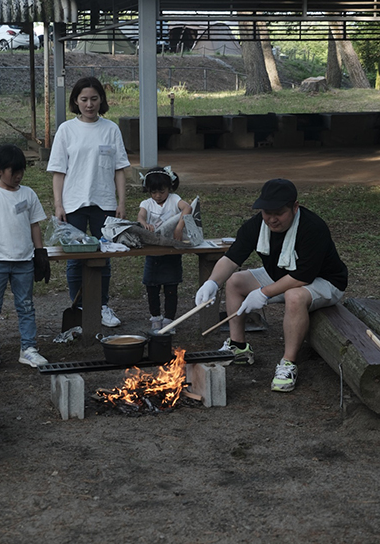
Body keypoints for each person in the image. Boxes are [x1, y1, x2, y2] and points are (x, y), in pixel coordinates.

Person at [195, 178, 348, 392]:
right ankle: (238, 347)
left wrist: (263, 293)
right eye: (267, 213)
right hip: (282, 274)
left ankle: (288, 363)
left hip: (324, 281)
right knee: (235, 281)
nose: (272, 220)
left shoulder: (313, 228)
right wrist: (212, 282)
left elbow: (302, 276)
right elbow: (231, 259)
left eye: (279, 213)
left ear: (294, 207)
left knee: (294, 296)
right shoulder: (257, 225)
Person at [47, 76, 130, 328]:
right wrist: (59, 204)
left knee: (103, 254)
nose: (89, 104)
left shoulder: (111, 129)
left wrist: (121, 202)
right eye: (84, 99)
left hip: (104, 203)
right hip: (73, 204)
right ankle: (79, 307)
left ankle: (102, 304)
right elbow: (58, 171)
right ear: (76, 101)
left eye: (94, 99)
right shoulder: (66, 130)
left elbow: (119, 169)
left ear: (101, 101)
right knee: (76, 257)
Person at [0, 144, 50, 371]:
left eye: (21, 170)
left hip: (24, 261)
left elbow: (34, 226)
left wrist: (40, 252)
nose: (18, 176)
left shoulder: (28, 194)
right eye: (13, 171)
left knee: (26, 306)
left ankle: (29, 349)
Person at [138, 166, 192, 332]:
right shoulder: (147, 204)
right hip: (153, 251)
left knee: (171, 286)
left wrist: (179, 227)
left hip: (171, 251)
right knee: (151, 285)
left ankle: (169, 319)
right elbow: (140, 216)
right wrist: (144, 223)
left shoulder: (174, 199)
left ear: (169, 188)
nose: (158, 196)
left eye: (161, 191)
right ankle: (155, 316)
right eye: (153, 192)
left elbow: (187, 208)